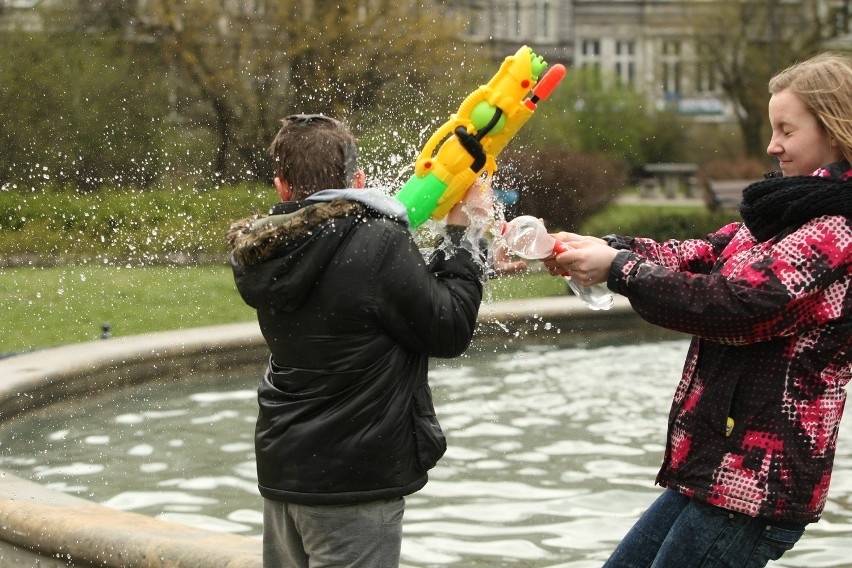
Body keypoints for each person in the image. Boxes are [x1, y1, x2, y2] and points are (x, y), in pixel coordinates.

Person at [545, 52, 852, 567]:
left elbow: (737, 307)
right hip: (715, 470)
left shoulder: (837, 230)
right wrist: (601, 246)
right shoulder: (794, 211)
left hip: (756, 485)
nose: (772, 145)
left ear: (836, 130)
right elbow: (699, 256)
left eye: (787, 130)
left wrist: (618, 268)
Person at [226, 113, 494, 567]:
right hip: (353, 482)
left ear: (282, 187)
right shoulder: (377, 243)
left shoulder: (262, 251)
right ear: (359, 179)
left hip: (282, 470)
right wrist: (466, 235)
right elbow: (449, 328)